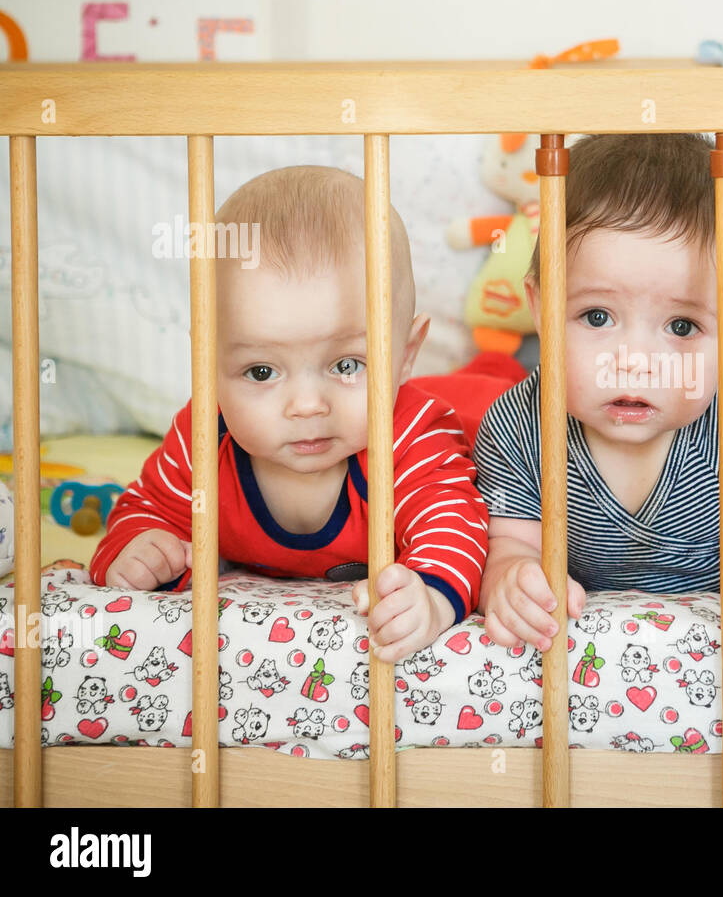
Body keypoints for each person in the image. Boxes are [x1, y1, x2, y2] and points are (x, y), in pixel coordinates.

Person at [89, 166, 496, 663]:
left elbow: (455, 521)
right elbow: (146, 509)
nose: (307, 406)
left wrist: (431, 597)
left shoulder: (408, 434)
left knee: (510, 403)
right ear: (208, 362)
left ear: (407, 353)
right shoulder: (203, 437)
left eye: (347, 365)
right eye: (261, 372)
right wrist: (139, 548)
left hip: (477, 411)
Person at [472, 133, 723, 672]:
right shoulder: (518, 425)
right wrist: (514, 575)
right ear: (540, 306)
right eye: (597, 317)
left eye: (682, 325)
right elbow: (509, 541)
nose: (635, 360)